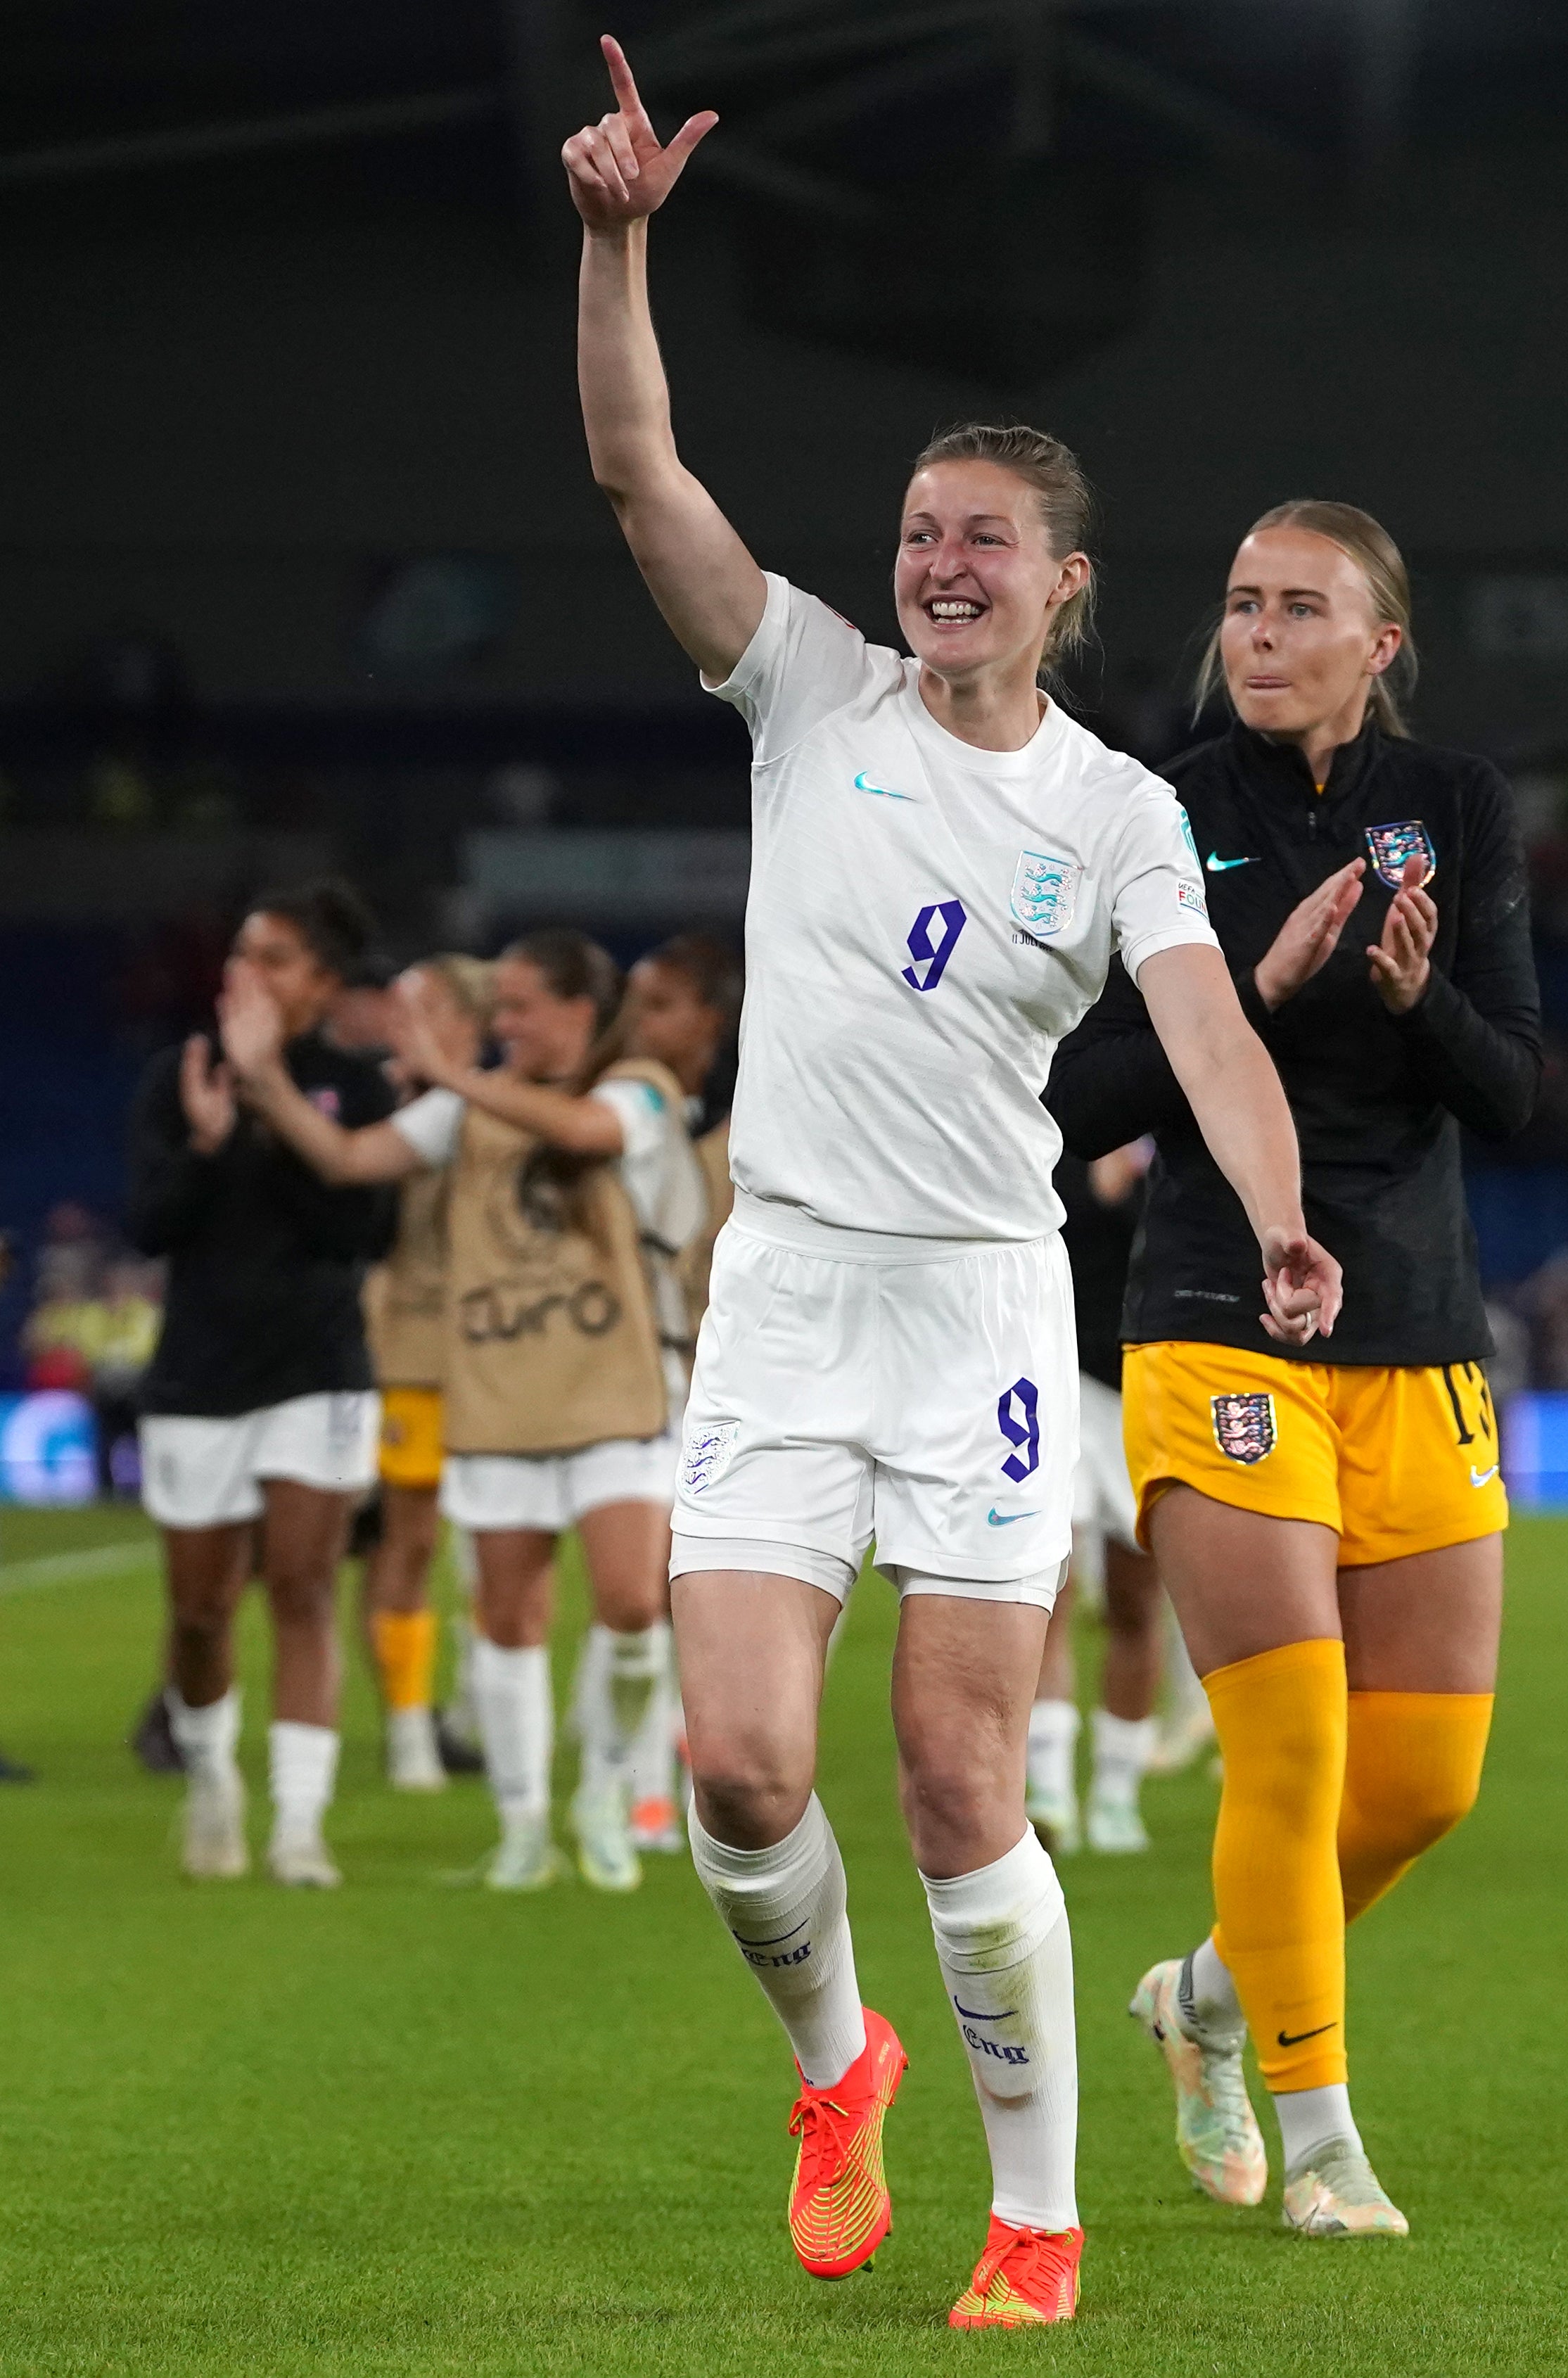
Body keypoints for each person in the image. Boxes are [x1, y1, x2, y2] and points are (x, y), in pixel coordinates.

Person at [558, 39, 1340, 2328]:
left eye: (981, 540)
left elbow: (1208, 1032)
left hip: (987, 1304)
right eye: (919, 536)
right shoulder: (810, 692)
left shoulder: (1111, 808)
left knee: (953, 1766)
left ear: (1063, 582)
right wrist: (616, 246)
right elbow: (636, 467)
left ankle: (1037, 2212)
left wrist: (1275, 1207)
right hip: (790, 1288)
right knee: (729, 1759)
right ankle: (839, 2066)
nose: (939, 566)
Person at [1046, 500, 1541, 2237]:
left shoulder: (1461, 809)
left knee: (1423, 1783)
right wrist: (1243, 987)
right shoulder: (1154, 807)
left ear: (1379, 643)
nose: (1259, 633)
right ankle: (1321, 2129)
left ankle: (1200, 1993)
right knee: (1292, 1751)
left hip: (1418, 1329)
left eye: (1300, 607)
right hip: (1215, 1307)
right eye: (1244, 604)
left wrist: (1413, 1001)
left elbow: (1517, 1094)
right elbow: (1079, 1094)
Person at [222, 929, 707, 1894]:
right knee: (509, 1616)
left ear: (578, 1011)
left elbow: (586, 1137)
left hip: (612, 1385)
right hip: (496, 1385)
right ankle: (524, 1824)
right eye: (500, 1009)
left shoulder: (637, 1086)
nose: (505, 1024)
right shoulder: (465, 1106)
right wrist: (266, 1078)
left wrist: (454, 1073)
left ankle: (604, 1789)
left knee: (632, 1604)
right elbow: (353, 1159)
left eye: (522, 1006)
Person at [126, 880, 397, 1886]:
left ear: (321, 982)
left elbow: (364, 1234)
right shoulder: (177, 1076)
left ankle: (297, 1825)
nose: (246, 970)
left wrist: (274, 1102)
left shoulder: (355, 1090)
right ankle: (211, 1783)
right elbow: (150, 1225)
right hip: (198, 1377)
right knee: (197, 1612)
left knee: (304, 1586)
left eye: (273, 955)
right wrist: (204, 1140)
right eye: (242, 950)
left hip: (318, 1371)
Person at [603, 930, 742, 1845]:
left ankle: (678, 1768)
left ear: (712, 1020)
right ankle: (639, 1784)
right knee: (645, 1588)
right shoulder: (629, 1118)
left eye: (657, 1005)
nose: (635, 1024)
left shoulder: (748, 1137)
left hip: (739, 1395)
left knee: (708, 1598)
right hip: (649, 1382)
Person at [358, 954, 494, 1791]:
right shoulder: (378, 1101)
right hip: (411, 1347)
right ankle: (408, 1724)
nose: (398, 1019)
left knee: (501, 1548)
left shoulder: (504, 1102)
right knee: (407, 1541)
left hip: (500, 1356)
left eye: (421, 1006)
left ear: (464, 1023)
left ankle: (476, 1709)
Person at [1024, 1140, 1172, 1856]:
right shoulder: (1062, 1120)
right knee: (1052, 1583)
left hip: (1145, 1392)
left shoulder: (1180, 1128)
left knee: (1134, 1602)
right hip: (1061, 1387)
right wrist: (1095, 1188)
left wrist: (1130, 1193)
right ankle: (1048, 1784)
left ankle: (1116, 1792)